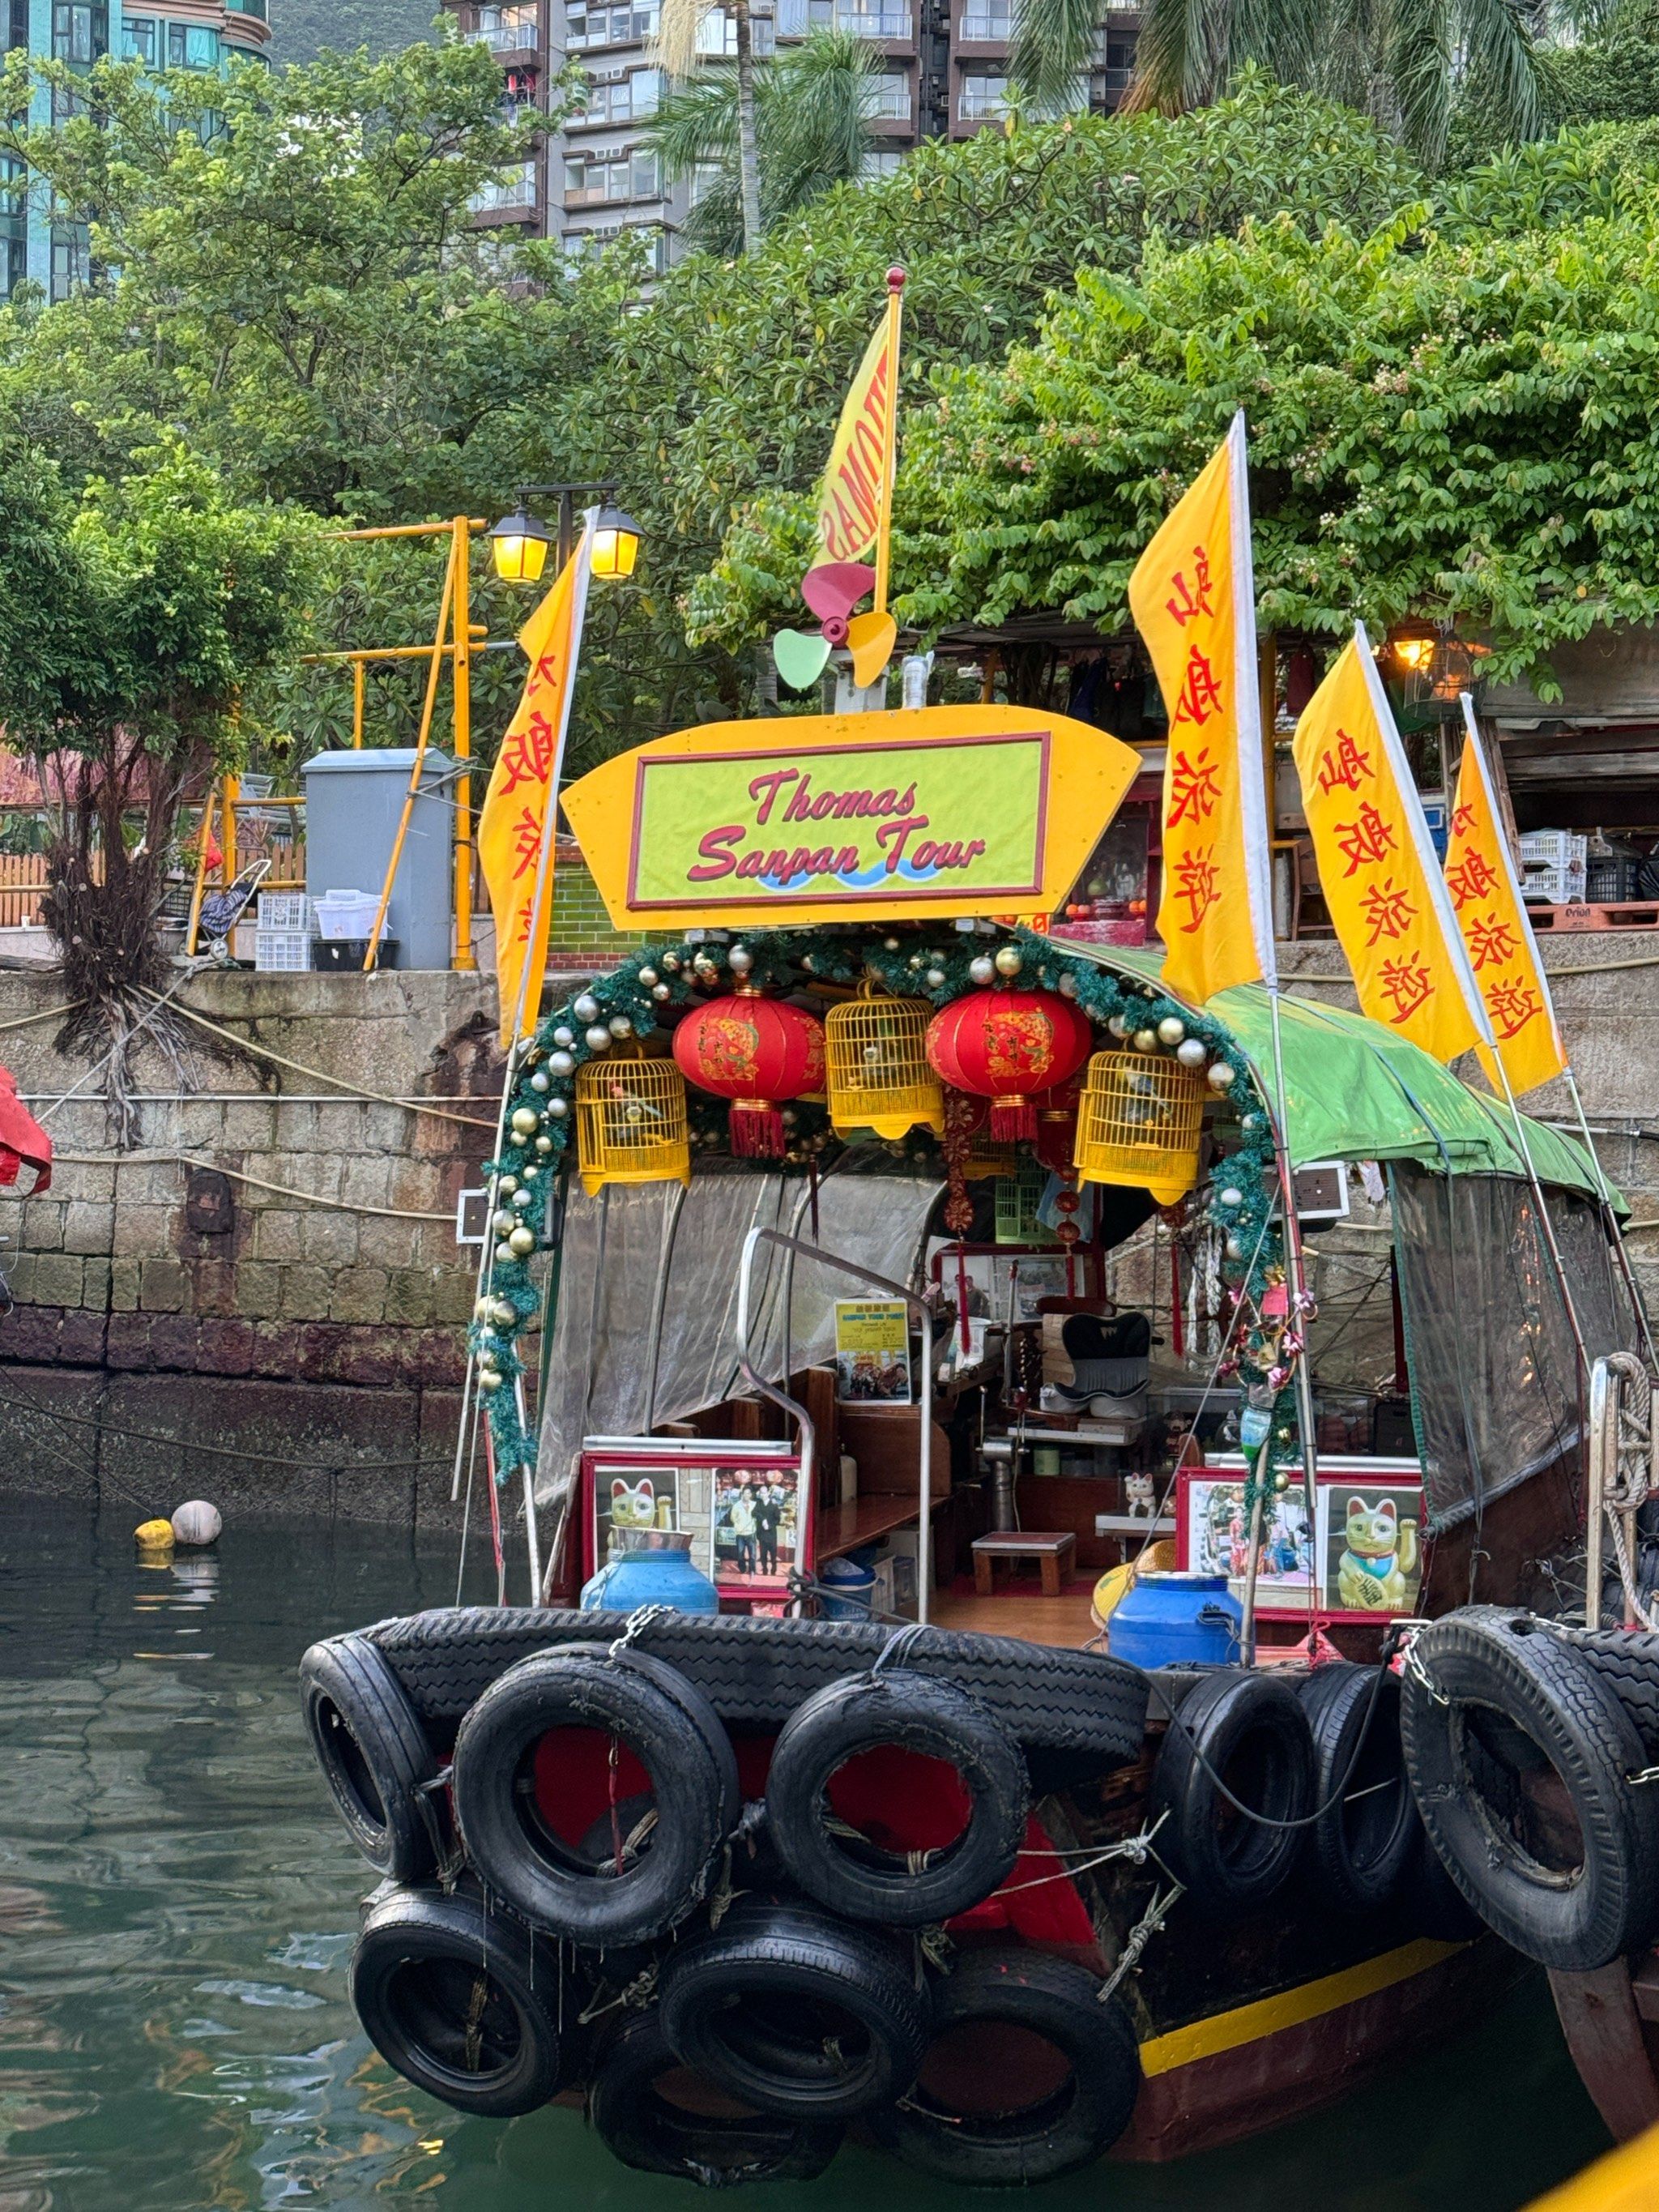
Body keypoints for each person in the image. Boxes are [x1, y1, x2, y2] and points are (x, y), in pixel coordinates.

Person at [753, 1484, 783, 1577]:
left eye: (764, 1493)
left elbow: (778, 1519)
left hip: (771, 1534)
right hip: (762, 1534)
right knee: (763, 1554)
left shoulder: (774, 1505)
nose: (763, 1495)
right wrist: (762, 1519)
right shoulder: (759, 1503)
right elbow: (753, 1513)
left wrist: (769, 1525)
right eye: (761, 1493)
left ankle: (773, 1569)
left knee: (773, 1554)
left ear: (768, 1493)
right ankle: (764, 1568)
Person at [727, 1484, 757, 1575]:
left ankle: (752, 1570)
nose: (747, 1495)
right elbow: (733, 1518)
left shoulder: (754, 1505)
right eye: (745, 1493)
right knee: (740, 1554)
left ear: (751, 1495)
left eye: (748, 1493)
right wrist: (739, 1526)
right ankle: (742, 1569)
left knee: (753, 1554)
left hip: (751, 1533)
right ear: (742, 1494)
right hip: (740, 1533)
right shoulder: (736, 1506)